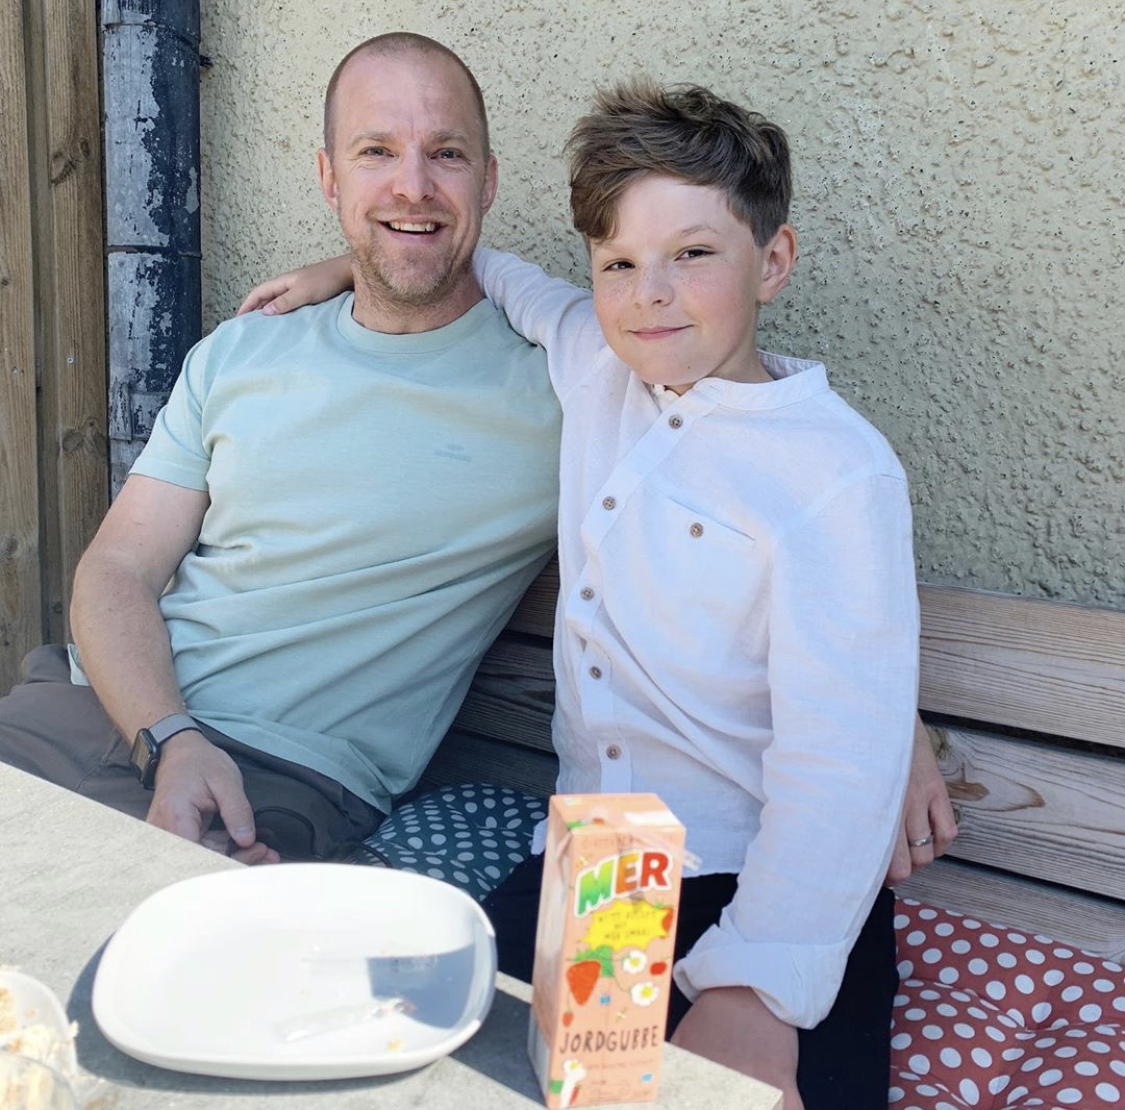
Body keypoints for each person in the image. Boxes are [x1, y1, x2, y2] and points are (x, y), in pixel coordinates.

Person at [238, 81, 957, 1107]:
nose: (647, 294)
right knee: (452, 1075)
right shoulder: (595, 361)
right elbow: (500, 273)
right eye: (617, 263)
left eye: (692, 254)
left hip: (764, 880)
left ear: (774, 261)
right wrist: (343, 270)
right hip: (603, 864)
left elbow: (839, 761)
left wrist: (755, 987)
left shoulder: (836, 472)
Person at [0, 33, 561, 864]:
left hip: (279, 781)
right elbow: (117, 569)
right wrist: (170, 736)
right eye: (376, 152)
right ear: (329, 177)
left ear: (488, 179)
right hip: (88, 710)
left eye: (446, 153)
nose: (412, 184)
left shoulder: (562, 390)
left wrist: (367, 254)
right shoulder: (241, 350)